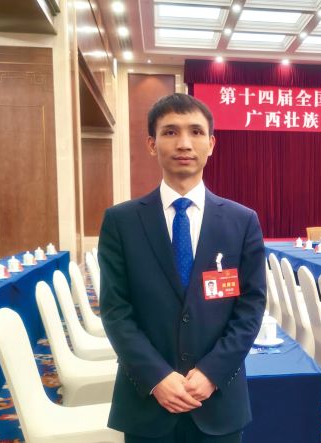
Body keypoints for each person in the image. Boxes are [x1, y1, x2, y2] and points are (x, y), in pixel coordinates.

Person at [98, 93, 267, 443]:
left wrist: (212, 372)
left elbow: (251, 306)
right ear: (151, 144)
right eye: (170, 132)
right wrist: (156, 377)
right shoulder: (121, 222)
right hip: (147, 401)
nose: (184, 143)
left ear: (211, 144)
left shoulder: (242, 221)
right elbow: (116, 311)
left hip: (218, 399)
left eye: (196, 132)